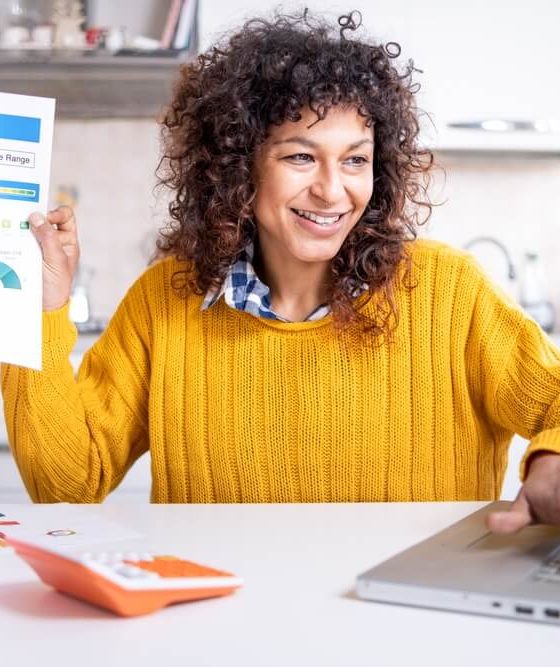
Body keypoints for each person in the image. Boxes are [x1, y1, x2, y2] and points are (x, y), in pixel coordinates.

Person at [2, 10, 560, 534]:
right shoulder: (164, 302)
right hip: (224, 626)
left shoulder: (450, 293)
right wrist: (37, 309)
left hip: (414, 626)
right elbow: (65, 487)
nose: (331, 189)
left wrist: (551, 462)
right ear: (238, 163)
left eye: (355, 159)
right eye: (300, 157)